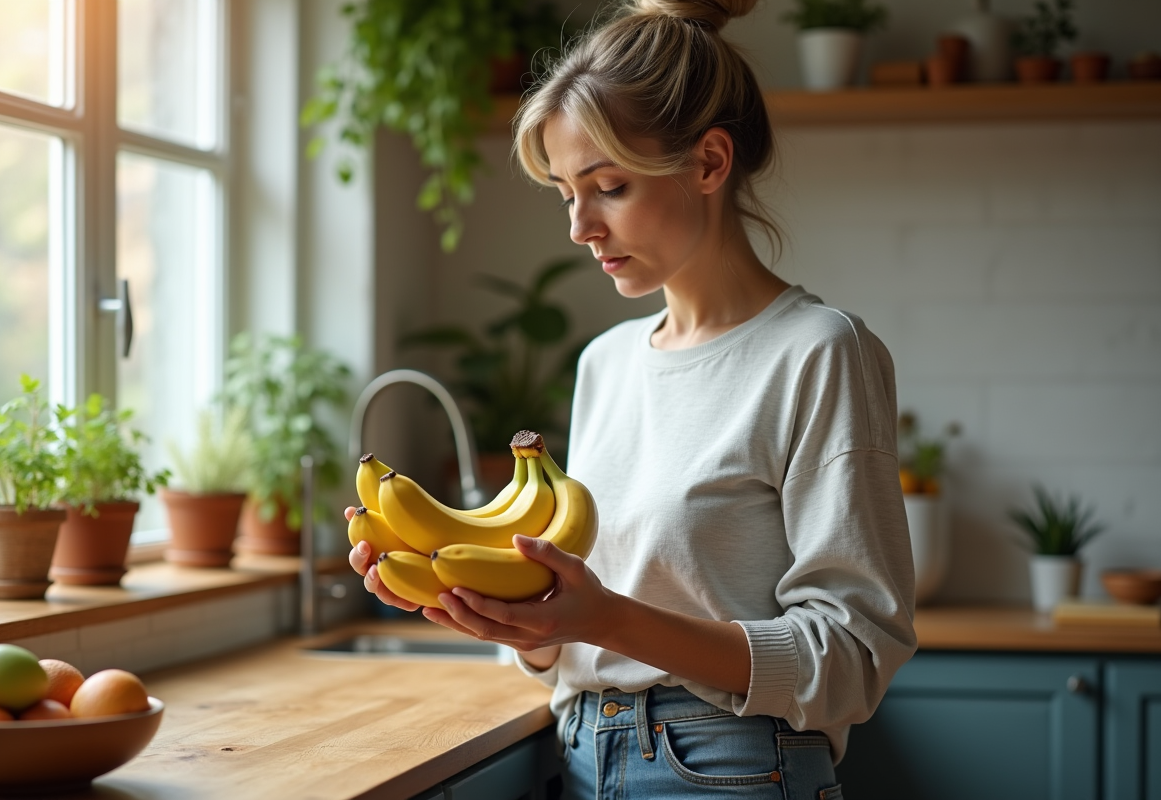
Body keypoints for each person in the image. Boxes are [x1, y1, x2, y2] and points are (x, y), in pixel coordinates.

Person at [348, 0, 917, 796]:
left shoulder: (819, 353)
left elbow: (855, 655)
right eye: (565, 194)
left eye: (608, 186)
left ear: (710, 163)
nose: (581, 226)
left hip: (732, 764)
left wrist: (606, 618)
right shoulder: (605, 364)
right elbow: (579, 628)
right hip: (581, 751)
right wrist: (515, 622)